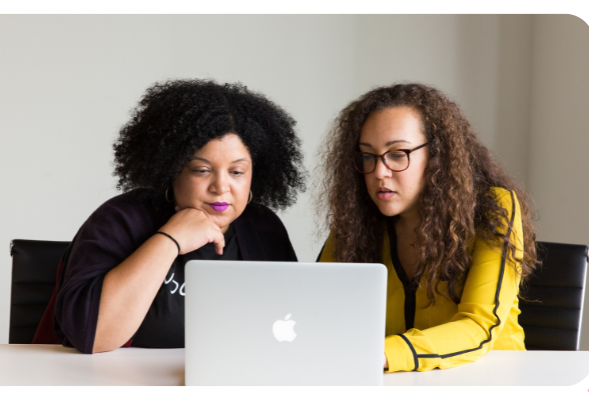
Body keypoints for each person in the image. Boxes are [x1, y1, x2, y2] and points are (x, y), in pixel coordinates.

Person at [33, 79, 306, 353]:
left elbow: (294, 324)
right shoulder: (121, 219)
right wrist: (170, 239)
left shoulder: (263, 227)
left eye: (236, 172)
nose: (221, 187)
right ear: (172, 169)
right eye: (201, 170)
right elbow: (92, 337)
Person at [315, 83, 539, 372]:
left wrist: (378, 354)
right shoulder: (357, 219)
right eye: (368, 156)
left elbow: (478, 327)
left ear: (437, 156)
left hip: (488, 381)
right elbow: (317, 308)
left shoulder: (493, 208)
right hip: (393, 384)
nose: (379, 172)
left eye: (397, 154)